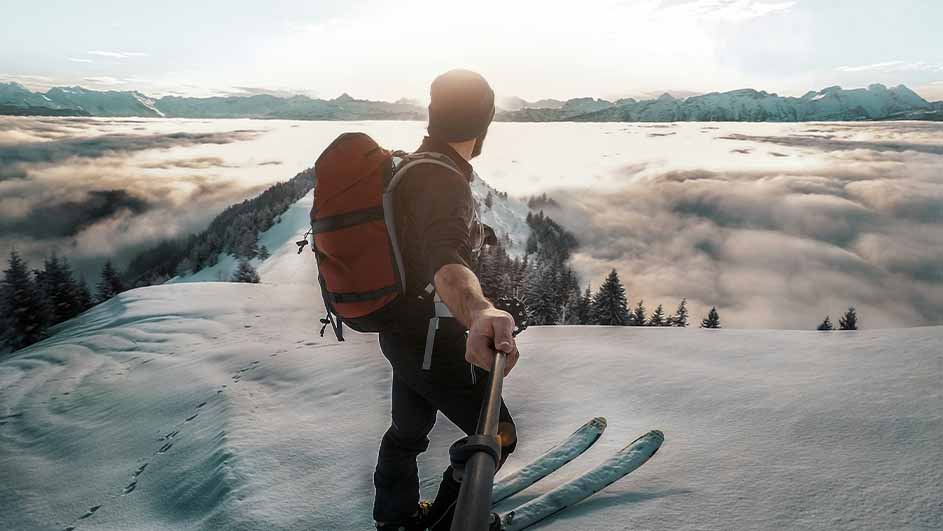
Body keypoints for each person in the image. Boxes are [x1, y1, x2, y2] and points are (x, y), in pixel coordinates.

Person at [373, 69, 520, 530]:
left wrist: (473, 235)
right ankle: (443, 523)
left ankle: (395, 519)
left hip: (401, 332)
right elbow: (443, 257)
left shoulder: (413, 166)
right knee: (496, 435)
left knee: (408, 432)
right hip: (433, 340)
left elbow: (429, 242)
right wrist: (479, 309)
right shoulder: (443, 180)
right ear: (485, 122)